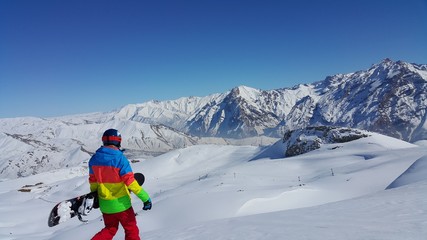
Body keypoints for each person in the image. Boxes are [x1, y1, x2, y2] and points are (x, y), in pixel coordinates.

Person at [89, 128, 152, 240]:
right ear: (118, 141)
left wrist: (94, 195)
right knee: (131, 229)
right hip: (122, 205)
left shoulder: (94, 159)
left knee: (110, 229)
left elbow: (93, 181)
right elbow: (131, 182)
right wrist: (146, 198)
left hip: (105, 205)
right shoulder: (120, 159)